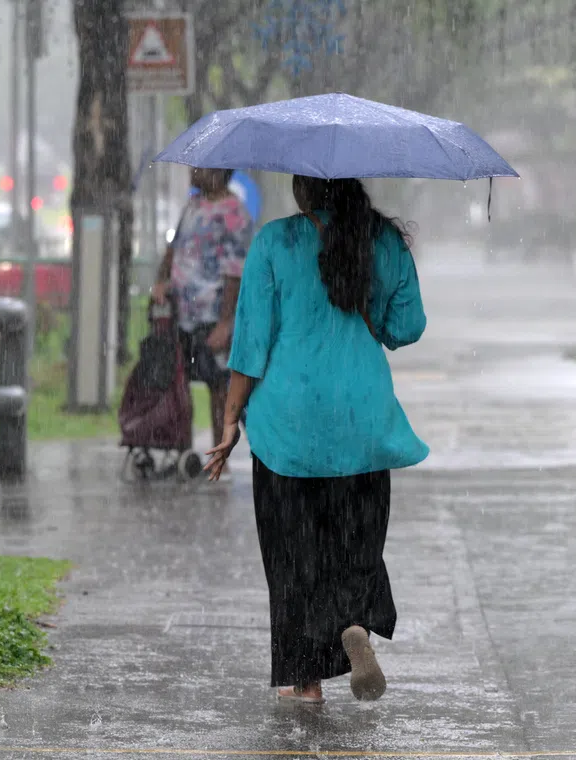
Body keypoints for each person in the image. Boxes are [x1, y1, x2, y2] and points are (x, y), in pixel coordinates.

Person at [203, 175, 428, 704]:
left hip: (289, 426)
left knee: (293, 556)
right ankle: (354, 625)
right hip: (362, 421)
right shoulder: (384, 241)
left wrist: (231, 419)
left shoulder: (276, 241)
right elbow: (408, 326)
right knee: (354, 543)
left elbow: (251, 344)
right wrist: (365, 311)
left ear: (302, 189)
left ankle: (305, 682)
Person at [152, 168, 253, 479]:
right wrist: (161, 280)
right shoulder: (193, 205)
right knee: (178, 381)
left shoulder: (233, 212)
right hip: (182, 313)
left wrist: (225, 323)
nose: (193, 172)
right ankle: (183, 451)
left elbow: (235, 271)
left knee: (218, 386)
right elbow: (174, 247)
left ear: (219, 172)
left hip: (212, 314)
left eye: (201, 167)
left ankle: (217, 454)